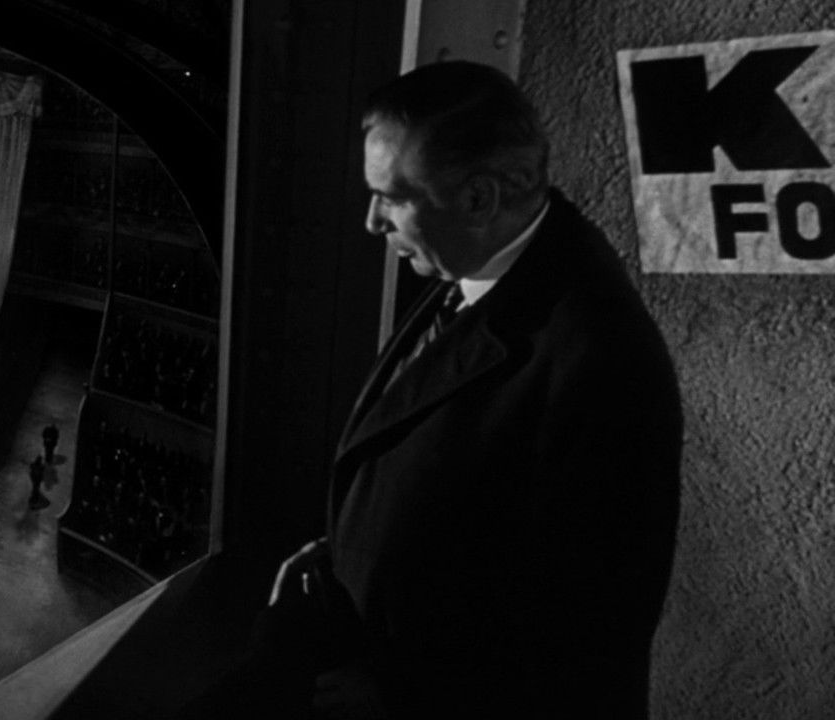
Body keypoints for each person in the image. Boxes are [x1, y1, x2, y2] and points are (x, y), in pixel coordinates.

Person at [235, 62, 684, 720]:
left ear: (478, 199)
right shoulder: (481, 266)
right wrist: (346, 562)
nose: (371, 221)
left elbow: (594, 625)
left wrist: (406, 694)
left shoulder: (601, 358)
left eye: (391, 197)